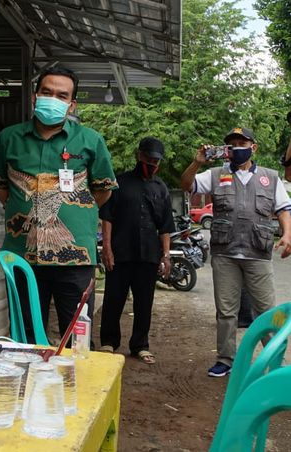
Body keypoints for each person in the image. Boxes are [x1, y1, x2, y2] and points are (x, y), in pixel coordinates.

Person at [0, 66, 118, 344]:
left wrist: (72, 212)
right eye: (47, 92)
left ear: (71, 104)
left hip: (74, 257)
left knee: (77, 336)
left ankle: (76, 386)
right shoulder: (9, 138)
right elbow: (1, 187)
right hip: (23, 255)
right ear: (35, 97)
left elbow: (101, 192)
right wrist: (29, 210)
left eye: (61, 95)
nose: (52, 99)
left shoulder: (90, 141)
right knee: (27, 336)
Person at [180, 127, 291, 377]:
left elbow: (284, 209)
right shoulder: (216, 174)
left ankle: (274, 362)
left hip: (258, 254)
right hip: (226, 254)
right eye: (232, 143)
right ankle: (225, 359)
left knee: (267, 311)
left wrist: (287, 234)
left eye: (242, 142)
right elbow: (187, 185)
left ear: (254, 147)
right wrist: (196, 163)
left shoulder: (270, 177)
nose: (237, 147)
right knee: (226, 311)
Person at [99, 137, 176, 364]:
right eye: (148, 159)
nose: (152, 164)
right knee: (113, 299)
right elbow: (107, 217)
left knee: (145, 303)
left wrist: (166, 255)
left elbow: (165, 226)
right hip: (121, 253)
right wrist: (107, 248)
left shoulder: (161, 188)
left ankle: (140, 345)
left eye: (156, 161)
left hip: (148, 256)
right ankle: (108, 342)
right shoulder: (119, 183)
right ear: (139, 155)